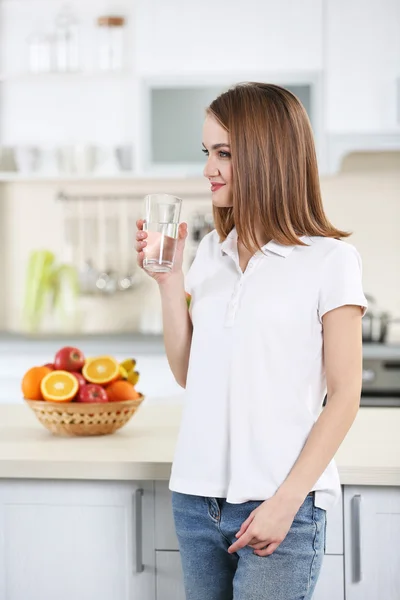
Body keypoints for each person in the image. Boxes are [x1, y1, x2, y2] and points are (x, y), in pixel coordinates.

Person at [136, 82, 367, 600]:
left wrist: (285, 503)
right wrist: (170, 282)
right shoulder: (210, 254)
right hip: (195, 501)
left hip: (280, 508)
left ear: (269, 156)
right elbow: (187, 373)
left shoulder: (330, 261)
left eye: (224, 153)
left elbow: (345, 395)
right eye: (207, 153)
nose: (208, 169)